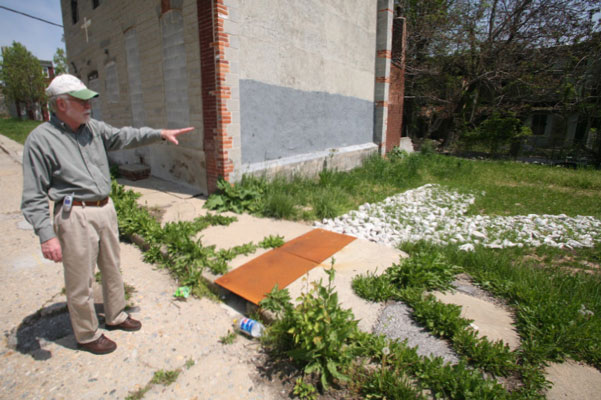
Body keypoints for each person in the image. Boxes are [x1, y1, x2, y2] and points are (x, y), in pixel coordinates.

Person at [21, 74, 193, 355]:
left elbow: (124, 136)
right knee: (80, 279)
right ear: (61, 104)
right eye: (82, 101)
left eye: (89, 100)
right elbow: (33, 195)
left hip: (105, 208)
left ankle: (116, 315)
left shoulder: (93, 129)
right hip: (75, 215)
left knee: (112, 266)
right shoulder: (41, 140)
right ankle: (87, 334)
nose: (89, 106)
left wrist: (160, 133)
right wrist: (46, 235)